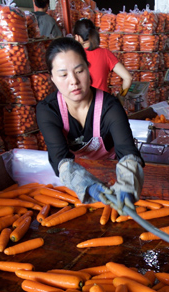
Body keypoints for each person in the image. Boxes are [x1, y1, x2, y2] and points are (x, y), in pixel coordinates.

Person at [36, 37, 143, 211]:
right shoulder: (47, 111)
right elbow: (60, 159)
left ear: (88, 69)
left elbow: (127, 151)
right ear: (53, 78)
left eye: (79, 71)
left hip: (113, 172)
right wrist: (88, 186)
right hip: (75, 182)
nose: (74, 81)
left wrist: (128, 184)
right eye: (63, 75)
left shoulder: (110, 107)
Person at [72, 18, 132, 96]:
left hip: (82, 104)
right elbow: (128, 78)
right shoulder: (105, 53)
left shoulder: (73, 56)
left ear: (77, 37)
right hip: (103, 104)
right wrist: (121, 96)